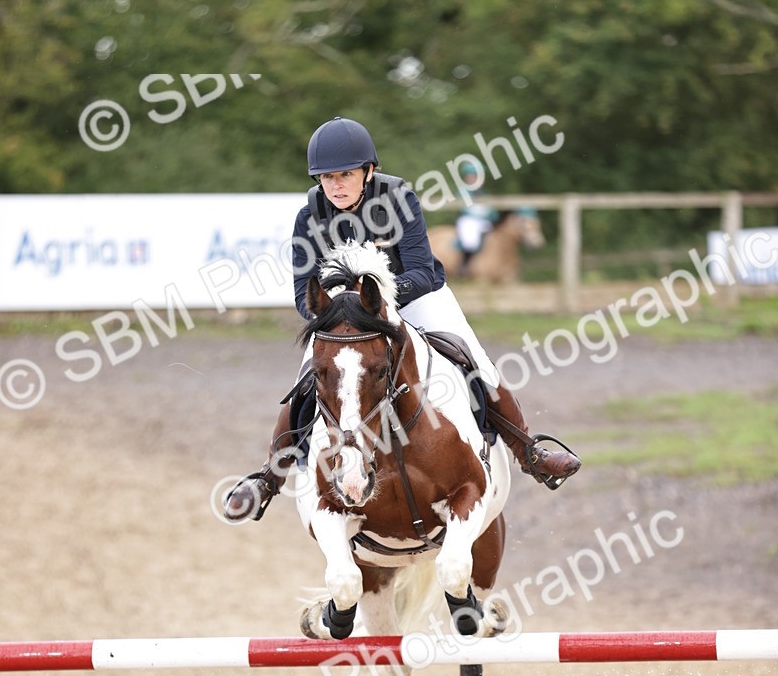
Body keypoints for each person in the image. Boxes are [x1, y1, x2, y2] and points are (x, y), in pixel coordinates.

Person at [224, 117, 580, 521]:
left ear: (368, 171)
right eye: (326, 177)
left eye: (345, 174)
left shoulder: (398, 199)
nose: (336, 185)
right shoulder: (310, 217)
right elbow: (302, 294)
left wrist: (377, 300)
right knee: (308, 376)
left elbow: (422, 272)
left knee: (474, 359)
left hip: (415, 299)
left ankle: (529, 452)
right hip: (345, 317)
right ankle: (270, 478)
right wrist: (340, 314)